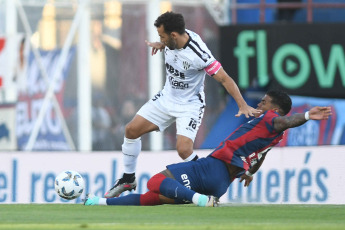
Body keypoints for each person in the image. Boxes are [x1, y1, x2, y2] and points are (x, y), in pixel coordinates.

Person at [104, 11, 259, 198]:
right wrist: (161, 44)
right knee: (131, 130)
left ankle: (206, 185)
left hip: (190, 105)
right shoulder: (173, 39)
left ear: (174, 35)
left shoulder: (199, 54)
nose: (160, 38)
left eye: (162, 36)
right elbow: (171, 46)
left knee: (184, 149)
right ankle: (128, 179)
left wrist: (242, 104)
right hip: (166, 98)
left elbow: (225, 79)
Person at [85, 90, 332, 206]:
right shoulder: (275, 136)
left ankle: (200, 200)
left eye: (265, 101)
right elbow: (261, 156)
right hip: (221, 184)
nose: (260, 102)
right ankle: (97, 203)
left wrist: (308, 115)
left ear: (275, 109)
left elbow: (287, 120)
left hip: (212, 167)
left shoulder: (272, 120)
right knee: (154, 198)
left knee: (154, 183)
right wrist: (249, 172)